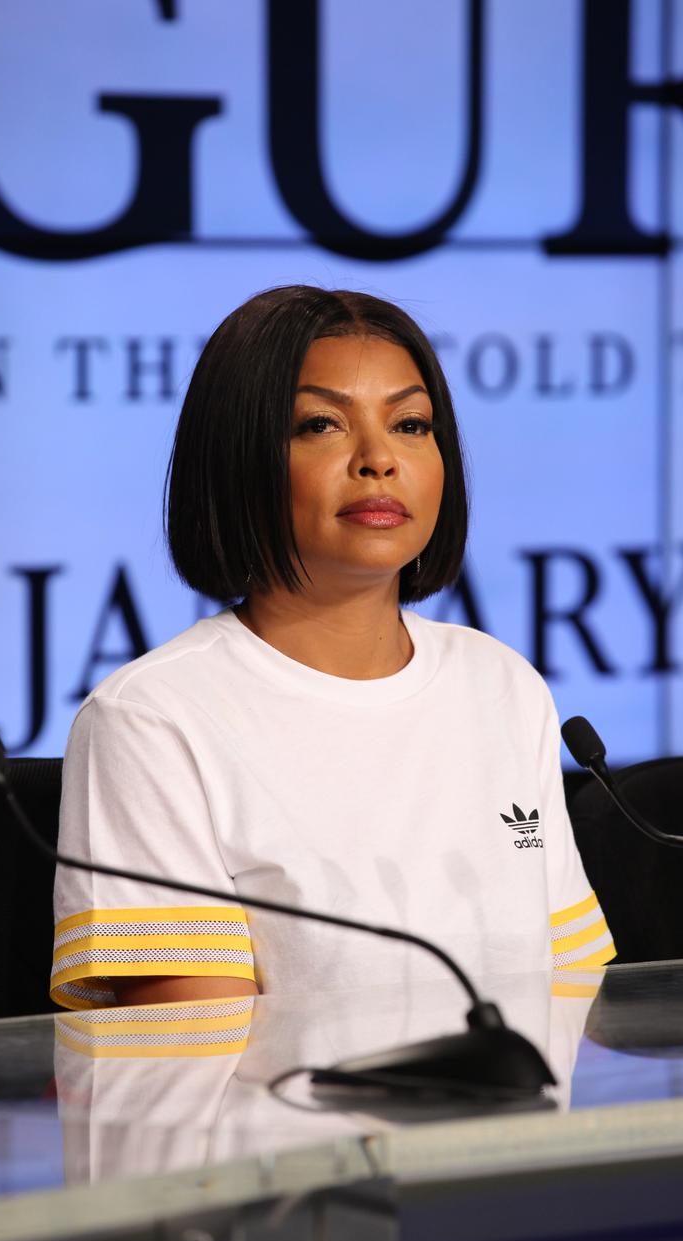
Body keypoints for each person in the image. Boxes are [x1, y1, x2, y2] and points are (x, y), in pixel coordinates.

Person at [50, 286, 614, 1012]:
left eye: (410, 424)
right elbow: (186, 1064)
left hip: (510, 1123)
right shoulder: (152, 718)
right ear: (238, 459)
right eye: (321, 424)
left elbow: (566, 1001)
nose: (379, 459)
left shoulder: (502, 683)